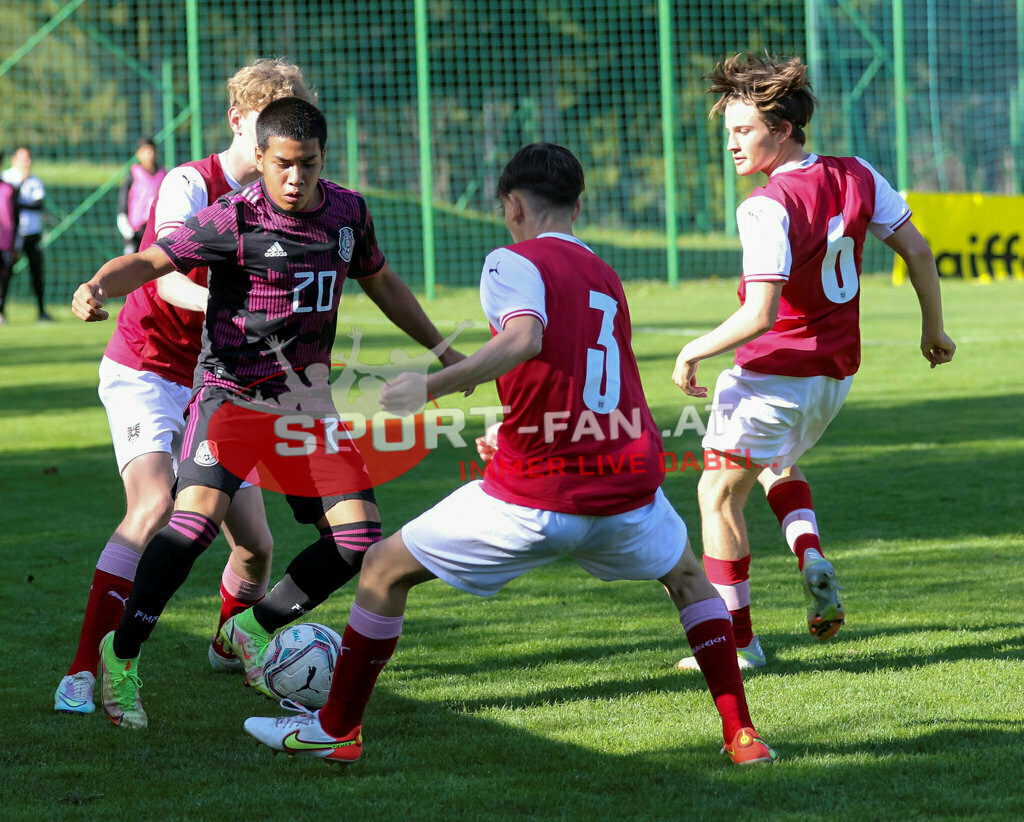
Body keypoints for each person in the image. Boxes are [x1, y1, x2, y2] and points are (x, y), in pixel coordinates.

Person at [243, 143, 778, 766]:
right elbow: (585, 378)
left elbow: (526, 339)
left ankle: (335, 729)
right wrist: (516, 428)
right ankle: (742, 736)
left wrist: (431, 384)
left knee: (383, 569)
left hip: (537, 497)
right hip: (626, 484)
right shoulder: (605, 275)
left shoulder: (510, 261)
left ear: (513, 205)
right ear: (578, 205)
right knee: (688, 578)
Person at [71, 96, 465, 730]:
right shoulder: (234, 216)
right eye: (282, 164)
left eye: (307, 165)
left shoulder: (347, 213)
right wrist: (97, 285)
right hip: (230, 398)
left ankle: (249, 628)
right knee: (194, 526)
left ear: (322, 160)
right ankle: (121, 657)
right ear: (260, 156)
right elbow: (151, 260)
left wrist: (442, 348)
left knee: (359, 540)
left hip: (305, 408)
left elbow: (382, 280)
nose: (294, 178)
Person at [671, 54, 956, 672]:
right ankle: (809, 553)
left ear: (782, 128)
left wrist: (694, 347)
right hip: (834, 380)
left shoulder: (765, 205)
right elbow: (919, 251)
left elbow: (761, 315)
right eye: (728, 133)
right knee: (776, 463)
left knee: (717, 497)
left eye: (742, 131)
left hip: (774, 374)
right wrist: (933, 329)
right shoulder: (857, 174)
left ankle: (737, 644)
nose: (731, 145)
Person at [53, 59, 317, 717]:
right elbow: (165, 274)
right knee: (152, 505)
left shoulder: (292, 196)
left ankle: (229, 642)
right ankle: (85, 670)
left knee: (256, 546)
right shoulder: (188, 185)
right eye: (268, 124)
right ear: (237, 120)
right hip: (146, 368)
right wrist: (231, 304)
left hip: (222, 381)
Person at [1, 146, 49, 321]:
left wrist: (17, 203)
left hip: (32, 233)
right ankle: (1, 311)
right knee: (6, 273)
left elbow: (38, 204)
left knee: (37, 272)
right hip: (11, 235)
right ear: (14, 160)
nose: (27, 162)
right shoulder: (6, 178)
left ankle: (42, 311)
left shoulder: (34, 181)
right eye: (23, 158)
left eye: (29, 158)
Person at [117, 138, 166, 255]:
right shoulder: (133, 174)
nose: (149, 154)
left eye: (151, 150)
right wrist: (124, 223)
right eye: (145, 151)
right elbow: (123, 200)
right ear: (138, 154)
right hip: (136, 230)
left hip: (155, 227)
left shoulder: (163, 174)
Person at [0, 151, 16, 325]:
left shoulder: (7, 188)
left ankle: (1, 310)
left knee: (4, 277)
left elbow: (14, 217)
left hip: (4, 243)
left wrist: (14, 242)